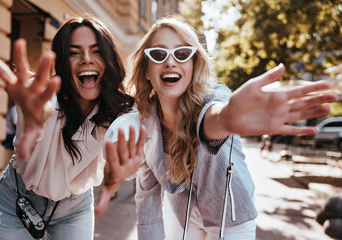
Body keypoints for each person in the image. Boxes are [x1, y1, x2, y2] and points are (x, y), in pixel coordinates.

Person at [126, 18, 338, 240]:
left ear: (193, 65)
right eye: (158, 55)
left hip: (232, 217)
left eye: (182, 54)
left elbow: (215, 117)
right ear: (147, 70)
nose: (170, 62)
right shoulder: (145, 123)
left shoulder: (216, 97)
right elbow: (147, 199)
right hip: (181, 213)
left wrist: (228, 118)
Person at [0, 16, 145, 240]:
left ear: (108, 60)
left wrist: (124, 156)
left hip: (74, 207)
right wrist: (32, 117)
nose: (86, 59)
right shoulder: (44, 98)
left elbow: (126, 128)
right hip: (17, 199)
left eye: (96, 50)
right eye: (74, 52)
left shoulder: (119, 110)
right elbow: (40, 105)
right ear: (61, 62)